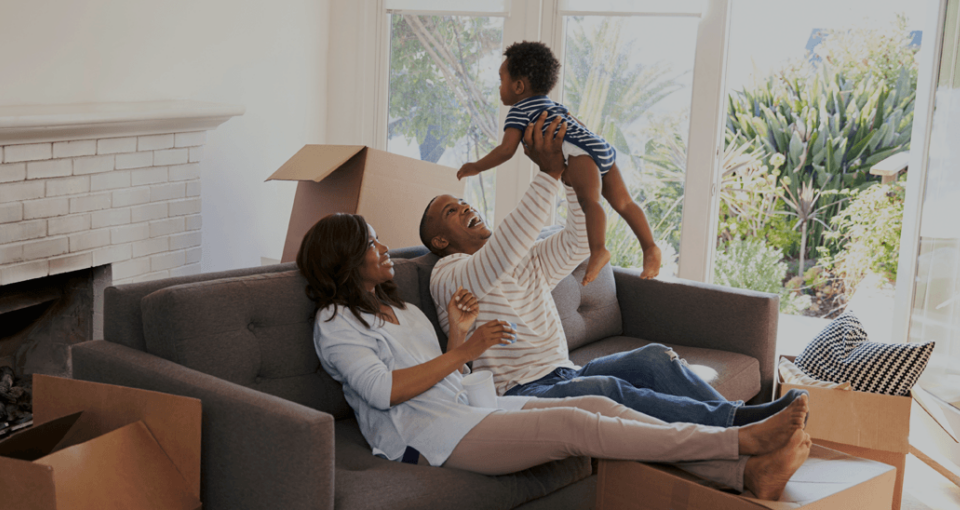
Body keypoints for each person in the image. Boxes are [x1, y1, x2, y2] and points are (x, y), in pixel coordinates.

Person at [297, 211, 812, 499]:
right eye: (370, 241)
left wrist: (458, 336)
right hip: (426, 437)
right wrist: (467, 350)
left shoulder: (402, 310)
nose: (383, 247)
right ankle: (735, 440)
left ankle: (743, 474)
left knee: (602, 408)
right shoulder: (336, 324)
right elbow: (386, 391)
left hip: (465, 410)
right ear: (343, 259)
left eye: (380, 235)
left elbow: (447, 376)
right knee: (574, 425)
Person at [426, 110, 807, 428]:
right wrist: (547, 174)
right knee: (609, 389)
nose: (467, 208)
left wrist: (575, 181)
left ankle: (743, 419)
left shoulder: (523, 257)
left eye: (465, 202)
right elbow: (498, 259)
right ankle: (740, 426)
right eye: (452, 211)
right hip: (520, 392)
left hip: (565, 372)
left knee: (655, 356)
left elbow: (576, 243)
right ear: (440, 240)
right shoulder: (448, 274)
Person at [456, 41, 660, 283]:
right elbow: (579, 125)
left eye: (501, 80)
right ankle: (649, 247)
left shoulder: (519, 111)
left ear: (519, 86)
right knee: (625, 203)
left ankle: (598, 250)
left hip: (578, 151)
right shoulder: (554, 105)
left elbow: (506, 150)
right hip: (598, 144)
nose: (499, 87)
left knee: (590, 201)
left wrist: (476, 166)